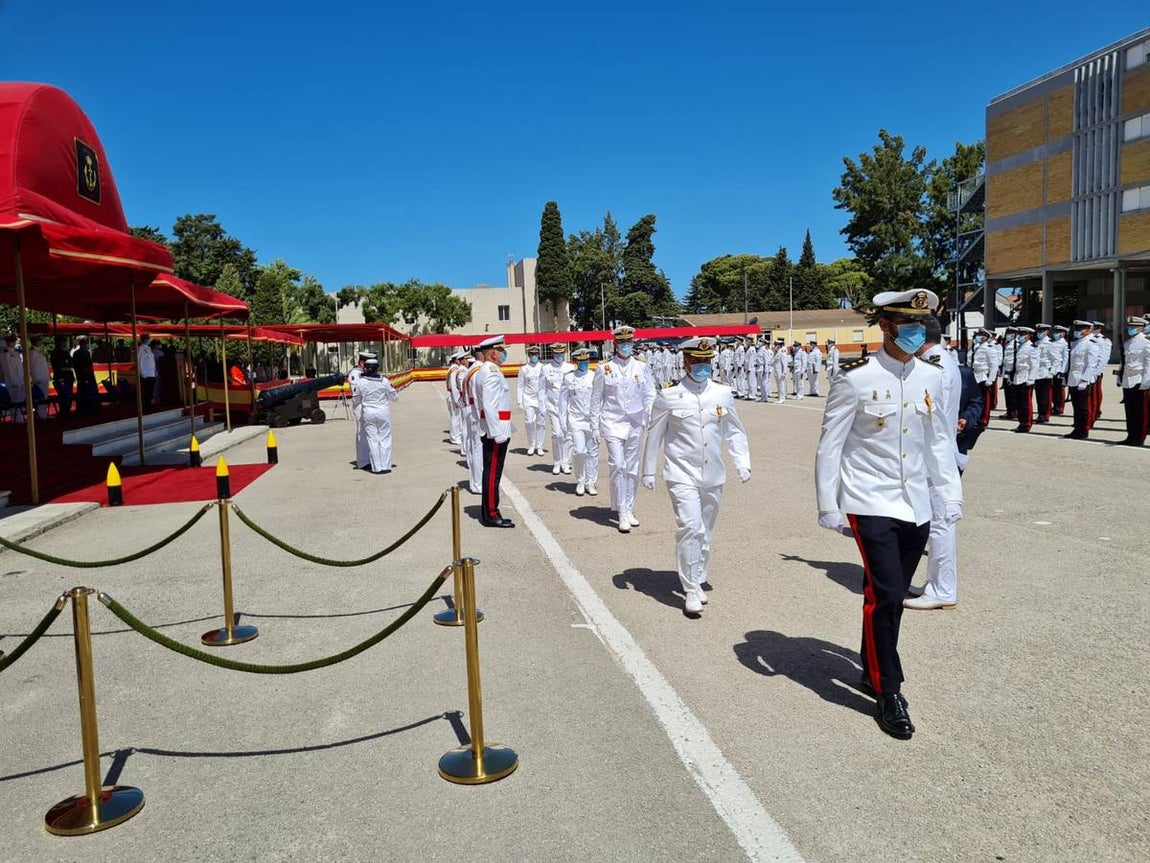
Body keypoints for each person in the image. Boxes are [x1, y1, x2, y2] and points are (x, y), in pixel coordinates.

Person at [815, 288, 962, 739]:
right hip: (870, 499)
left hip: (915, 501)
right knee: (887, 592)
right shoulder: (855, 377)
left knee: (888, 594)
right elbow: (831, 444)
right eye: (908, 325)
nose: (918, 332)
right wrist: (828, 503)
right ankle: (889, 690)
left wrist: (949, 494)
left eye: (922, 325)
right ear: (885, 325)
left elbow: (938, 440)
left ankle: (868, 666)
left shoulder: (932, 377)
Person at [642, 337, 750, 615]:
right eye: (697, 361)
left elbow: (733, 430)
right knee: (691, 527)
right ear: (685, 362)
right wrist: (648, 469)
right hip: (681, 473)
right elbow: (655, 434)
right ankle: (690, 588)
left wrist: (742, 462)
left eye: (707, 361)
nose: (703, 366)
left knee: (706, 530)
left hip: (713, 474)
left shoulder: (722, 393)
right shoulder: (669, 394)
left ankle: (699, 576)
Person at [904, 314, 964, 612]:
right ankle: (936, 584)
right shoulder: (945, 359)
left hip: (933, 457)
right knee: (937, 523)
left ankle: (942, 589)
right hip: (938, 452)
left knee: (940, 524)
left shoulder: (933, 366)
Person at [591, 325, 656, 533]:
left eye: (629, 343)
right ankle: (620, 512)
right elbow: (596, 399)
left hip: (635, 422)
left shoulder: (641, 366)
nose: (625, 346)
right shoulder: (604, 368)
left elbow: (650, 394)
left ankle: (629, 508)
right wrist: (594, 425)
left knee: (632, 467)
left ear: (633, 343)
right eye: (622, 343)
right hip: (612, 422)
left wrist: (648, 417)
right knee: (618, 465)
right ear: (615, 344)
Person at [473, 335, 515, 528]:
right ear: (493, 352)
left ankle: (490, 510)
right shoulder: (489, 372)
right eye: (502, 350)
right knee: (492, 474)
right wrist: (497, 432)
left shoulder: (488, 370)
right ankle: (491, 513)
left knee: (492, 472)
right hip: (495, 431)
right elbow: (489, 406)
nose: (504, 354)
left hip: (497, 427)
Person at [559, 347, 599, 496]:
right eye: (581, 361)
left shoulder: (594, 376)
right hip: (576, 420)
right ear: (576, 362)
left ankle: (591, 482)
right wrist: (563, 421)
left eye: (586, 361)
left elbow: (599, 399)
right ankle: (581, 481)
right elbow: (563, 400)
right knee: (579, 451)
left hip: (592, 421)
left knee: (593, 453)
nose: (584, 363)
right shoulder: (568, 377)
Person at [351, 358, 398, 473]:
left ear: (366, 368)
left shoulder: (361, 382)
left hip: (368, 413)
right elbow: (394, 397)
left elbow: (355, 400)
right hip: (383, 412)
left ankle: (376, 467)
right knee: (385, 439)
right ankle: (386, 466)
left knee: (372, 440)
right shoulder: (384, 381)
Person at [541, 343, 575, 475]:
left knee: (567, 435)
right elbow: (542, 389)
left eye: (561, 353)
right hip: (553, 406)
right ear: (553, 354)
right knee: (557, 434)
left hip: (567, 407)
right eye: (557, 354)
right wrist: (542, 406)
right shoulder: (546, 368)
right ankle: (557, 461)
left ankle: (566, 462)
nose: (559, 356)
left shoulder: (570, 367)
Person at [1118, 316, 1150, 447]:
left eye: (1134, 327)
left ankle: (1139, 437)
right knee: (1130, 411)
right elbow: (1124, 362)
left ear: (1141, 328)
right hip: (1128, 380)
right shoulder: (1127, 343)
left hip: (1139, 380)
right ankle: (1130, 435)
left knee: (1140, 412)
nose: (1130, 329)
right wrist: (1119, 377)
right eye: (1129, 327)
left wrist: (1146, 381)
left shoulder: (1146, 342)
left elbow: (1148, 363)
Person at [1065, 320, 1096, 440]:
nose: (1078, 332)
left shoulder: (1091, 344)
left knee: (1083, 408)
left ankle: (1083, 430)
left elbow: (1090, 365)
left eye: (1081, 329)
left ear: (1088, 330)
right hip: (1073, 377)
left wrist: (1085, 380)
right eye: (1076, 329)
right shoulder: (1075, 343)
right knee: (1076, 406)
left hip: (1082, 379)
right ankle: (1077, 429)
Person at [460, 352, 484, 494]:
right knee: (478, 449)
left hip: (471, 410)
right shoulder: (478, 371)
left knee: (473, 446)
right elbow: (478, 396)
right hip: (476, 413)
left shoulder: (471, 369)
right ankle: (478, 483)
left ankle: (476, 482)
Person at [516, 345, 546, 456]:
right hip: (528, 398)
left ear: (539, 355)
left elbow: (546, 385)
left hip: (541, 399)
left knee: (541, 423)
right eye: (532, 354)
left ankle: (540, 446)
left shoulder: (543, 368)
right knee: (529, 422)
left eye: (536, 354)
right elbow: (520, 386)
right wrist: (519, 401)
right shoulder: (524, 369)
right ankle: (532, 444)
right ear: (529, 356)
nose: (534, 356)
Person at [348, 351, 375, 469]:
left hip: (368, 406)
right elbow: (355, 396)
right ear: (362, 363)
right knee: (362, 432)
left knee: (369, 432)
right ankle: (363, 461)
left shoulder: (365, 374)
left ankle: (368, 458)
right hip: (360, 407)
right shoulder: (355, 374)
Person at [1011, 327, 1036, 433]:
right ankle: (1021, 422)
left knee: (1026, 404)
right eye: (1019, 334)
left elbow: (1034, 365)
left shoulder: (1032, 347)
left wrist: (1031, 379)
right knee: (1019, 403)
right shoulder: (1020, 347)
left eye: (1023, 334)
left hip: (1026, 378)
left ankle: (1026, 424)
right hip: (1018, 377)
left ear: (1029, 335)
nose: (1020, 336)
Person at [71, 335, 99, 414]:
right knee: (85, 393)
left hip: (87, 375)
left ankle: (89, 407)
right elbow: (79, 366)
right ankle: (86, 408)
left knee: (86, 392)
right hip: (84, 376)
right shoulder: (79, 353)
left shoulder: (84, 352)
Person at [1033, 324, 1055, 423]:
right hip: (1037, 372)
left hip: (1045, 372)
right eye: (1038, 331)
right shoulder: (1036, 343)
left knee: (1044, 396)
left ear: (1047, 332)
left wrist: (1052, 372)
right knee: (1038, 395)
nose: (1040, 333)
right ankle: (1040, 413)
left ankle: (1045, 415)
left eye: (1042, 331)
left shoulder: (1050, 343)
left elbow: (1056, 359)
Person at [27, 336, 50, 419]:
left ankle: (43, 414)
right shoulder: (32, 352)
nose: (41, 342)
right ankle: (41, 415)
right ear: (36, 341)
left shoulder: (38, 351)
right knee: (41, 398)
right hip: (38, 378)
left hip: (43, 377)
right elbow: (30, 366)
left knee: (44, 397)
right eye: (40, 340)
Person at [50, 340, 74, 416]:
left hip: (68, 376)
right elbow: (58, 367)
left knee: (67, 395)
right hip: (62, 376)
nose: (66, 343)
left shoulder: (65, 352)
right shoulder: (57, 353)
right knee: (64, 395)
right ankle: (64, 412)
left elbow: (70, 363)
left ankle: (66, 411)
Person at [137, 333, 157, 411]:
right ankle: (147, 408)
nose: (149, 340)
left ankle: (150, 407)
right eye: (148, 339)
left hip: (151, 373)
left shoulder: (148, 348)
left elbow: (152, 361)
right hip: (146, 373)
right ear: (145, 340)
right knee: (147, 392)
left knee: (151, 391)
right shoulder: (140, 349)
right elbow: (140, 361)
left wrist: (155, 371)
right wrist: (142, 372)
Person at [771, 338, 789, 404]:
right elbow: (772, 362)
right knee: (778, 385)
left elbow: (784, 363)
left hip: (781, 372)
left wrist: (784, 372)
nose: (775, 346)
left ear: (779, 345)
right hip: (776, 371)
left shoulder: (782, 352)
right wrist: (774, 353)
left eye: (776, 344)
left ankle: (782, 398)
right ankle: (780, 398)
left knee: (781, 385)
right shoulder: (777, 352)